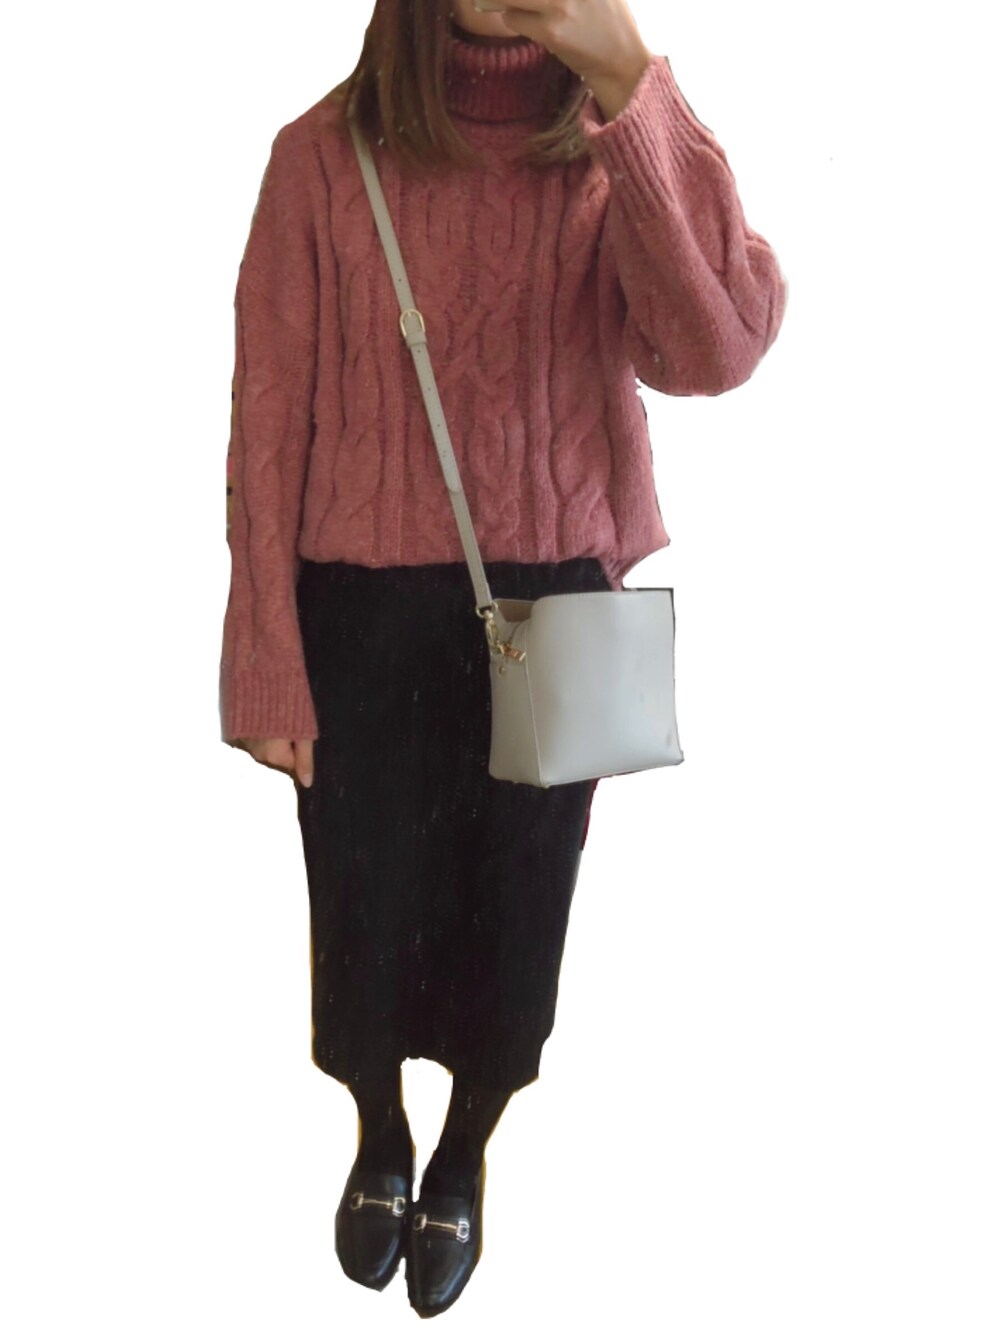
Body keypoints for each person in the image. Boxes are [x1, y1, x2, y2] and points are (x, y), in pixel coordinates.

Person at [219, 0, 787, 1316]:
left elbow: (719, 347)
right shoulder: (321, 156)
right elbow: (267, 419)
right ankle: (380, 1133)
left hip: (556, 606)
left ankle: (466, 1151)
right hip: (356, 613)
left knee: (516, 920)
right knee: (361, 912)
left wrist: (630, 80)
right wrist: (262, 652)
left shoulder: (611, 150)